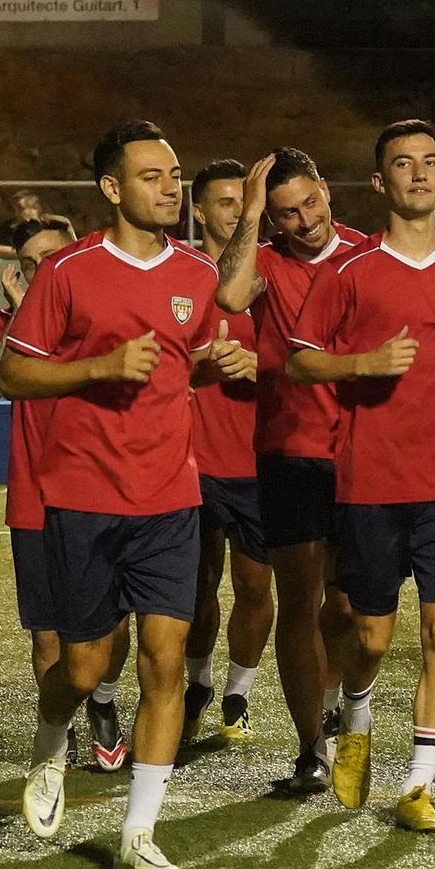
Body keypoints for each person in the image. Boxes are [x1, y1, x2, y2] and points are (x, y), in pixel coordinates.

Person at [0, 119, 255, 869]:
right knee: (82, 670)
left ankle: (140, 828)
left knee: (165, 661)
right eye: (151, 176)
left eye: (174, 175)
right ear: (112, 189)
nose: (171, 189)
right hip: (83, 498)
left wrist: (221, 362)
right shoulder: (69, 273)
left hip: (172, 498)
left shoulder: (193, 274)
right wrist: (98, 366)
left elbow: (186, 365)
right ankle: (51, 745)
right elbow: (12, 376)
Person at [289, 120, 435, 834]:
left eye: (430, 162)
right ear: (380, 183)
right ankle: (356, 715)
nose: (418, 173)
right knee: (370, 637)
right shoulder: (345, 273)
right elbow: (301, 358)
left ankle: (418, 786)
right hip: (370, 480)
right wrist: (361, 365)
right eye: (402, 163)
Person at [213, 147, 371, 795]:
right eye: (286, 212)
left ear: (327, 191)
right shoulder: (267, 260)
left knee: (351, 606)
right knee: (299, 603)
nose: (303, 220)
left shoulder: (367, 255)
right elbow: (226, 291)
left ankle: (341, 702)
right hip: (288, 449)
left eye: (310, 203)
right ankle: (312, 749)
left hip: (363, 452)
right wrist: (248, 214)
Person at [0, 215, 133, 767]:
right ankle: (55, 738)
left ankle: (105, 703)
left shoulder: (104, 312)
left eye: (52, 256)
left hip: (105, 489)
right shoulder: (8, 321)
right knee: (47, 636)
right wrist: (20, 314)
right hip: (36, 497)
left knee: (112, 626)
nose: (42, 270)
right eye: (29, 263)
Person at [184, 159, 274, 743]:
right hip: (186, 462)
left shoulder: (272, 271)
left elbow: (306, 354)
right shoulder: (177, 271)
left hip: (257, 460)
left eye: (244, 202)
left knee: (254, 586)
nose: (235, 213)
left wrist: (262, 365)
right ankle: (197, 682)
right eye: (223, 203)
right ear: (198, 210)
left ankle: (238, 693)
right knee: (193, 589)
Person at [0, 191, 72, 259]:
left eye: (20, 208)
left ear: (34, 208)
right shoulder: (7, 228)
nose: (16, 211)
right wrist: (24, 253)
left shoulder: (51, 224)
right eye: (15, 207)